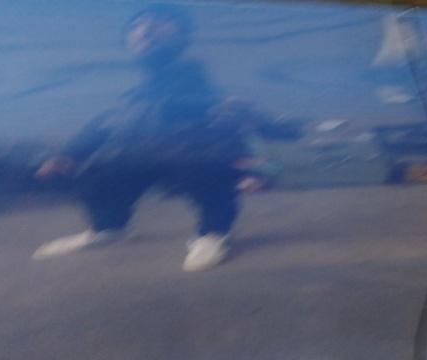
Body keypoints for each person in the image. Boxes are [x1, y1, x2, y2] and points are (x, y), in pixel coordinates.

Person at [33, 4, 299, 271]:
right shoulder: (129, 95)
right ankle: (108, 228)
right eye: (137, 25)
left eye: (159, 21)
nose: (146, 29)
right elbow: (106, 124)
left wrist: (266, 147)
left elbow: (241, 115)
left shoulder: (201, 86)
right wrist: (67, 154)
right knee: (98, 170)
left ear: (182, 34)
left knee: (210, 162)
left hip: (187, 161)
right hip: (140, 158)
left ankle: (213, 233)